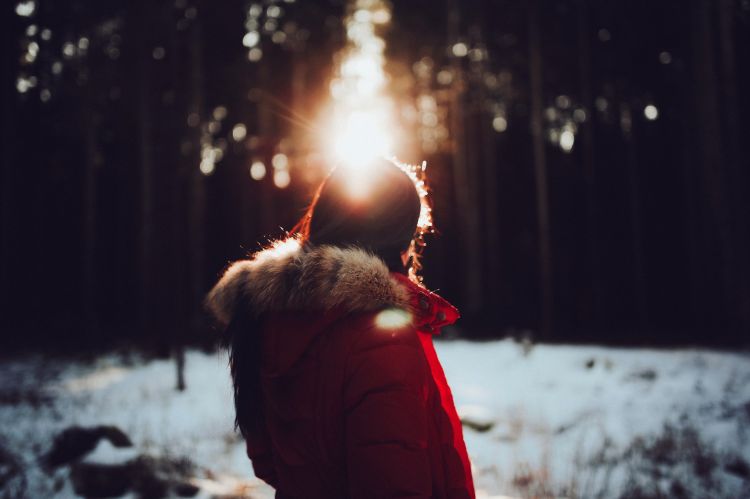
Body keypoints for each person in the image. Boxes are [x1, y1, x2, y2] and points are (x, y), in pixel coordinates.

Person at [205, 158, 475, 498]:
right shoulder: (380, 335)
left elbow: (266, 458)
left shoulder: (267, 322)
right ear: (395, 240)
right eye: (412, 236)